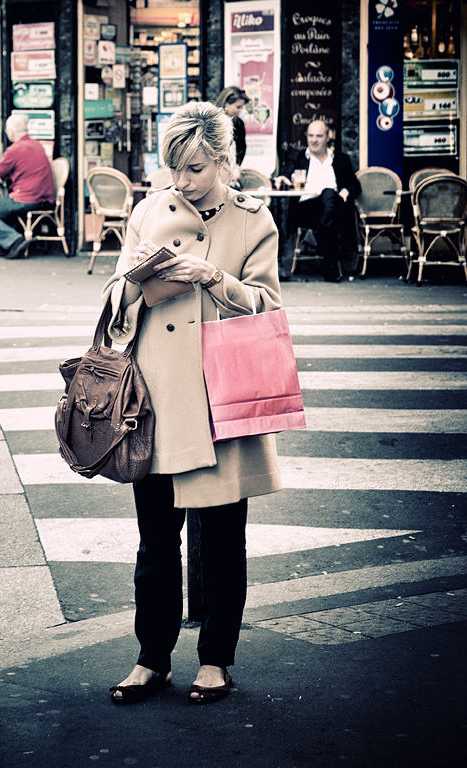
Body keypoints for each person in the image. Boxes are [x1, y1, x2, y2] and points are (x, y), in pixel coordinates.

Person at [102, 101, 282, 706]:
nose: (182, 181)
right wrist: (141, 290)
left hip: (222, 401)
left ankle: (216, 661)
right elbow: (114, 304)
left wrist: (212, 277)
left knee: (224, 541)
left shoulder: (254, 222)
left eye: (196, 168)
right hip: (155, 402)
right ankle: (152, 659)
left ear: (225, 161)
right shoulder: (148, 212)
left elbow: (267, 307)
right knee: (156, 542)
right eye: (174, 167)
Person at [275, 119, 361, 282]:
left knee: (329, 196)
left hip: (334, 207)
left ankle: (318, 236)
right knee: (329, 201)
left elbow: (356, 185)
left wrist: (346, 190)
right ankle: (331, 268)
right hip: (306, 209)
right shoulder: (297, 158)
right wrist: (283, 179)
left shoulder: (341, 159)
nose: (314, 140)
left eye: (319, 136)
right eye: (311, 135)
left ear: (328, 137)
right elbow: (286, 176)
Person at [0, 112, 55, 259]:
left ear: (10, 131)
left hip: (25, 198)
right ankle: (2, 244)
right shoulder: (36, 145)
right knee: (1, 211)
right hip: (44, 198)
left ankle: (15, 240)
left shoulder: (15, 149)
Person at [214, 87, 249, 179]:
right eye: (238, 107)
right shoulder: (213, 121)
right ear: (226, 103)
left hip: (223, 165)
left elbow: (241, 146)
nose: (240, 110)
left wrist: (237, 166)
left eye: (242, 107)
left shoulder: (238, 123)